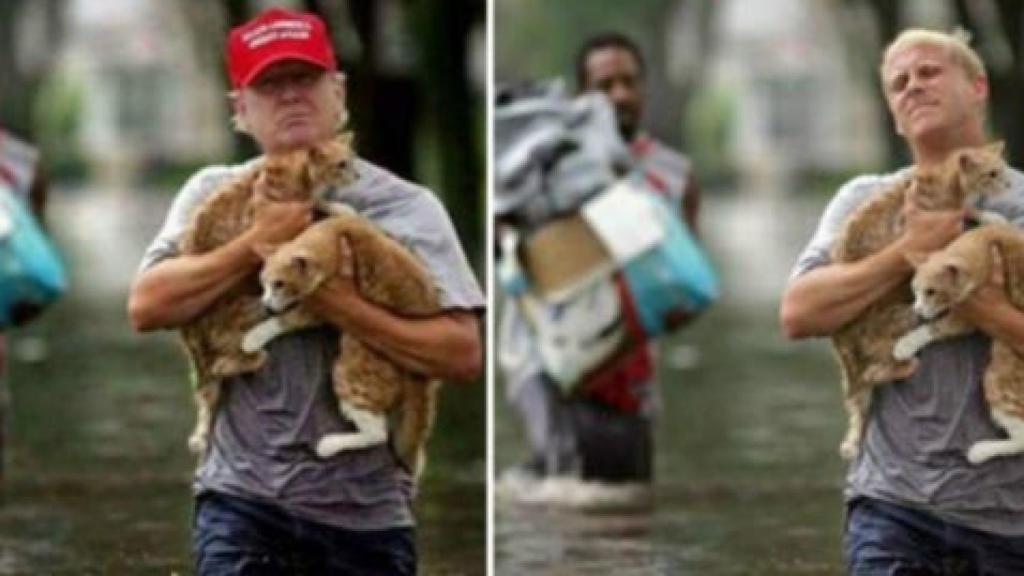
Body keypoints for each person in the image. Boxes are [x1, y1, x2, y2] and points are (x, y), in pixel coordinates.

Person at [127, 8, 483, 574]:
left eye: (306, 79)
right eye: (270, 84)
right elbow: (147, 306)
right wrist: (255, 246)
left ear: (338, 93)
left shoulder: (406, 207)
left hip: (367, 516)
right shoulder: (211, 193)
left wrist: (337, 302)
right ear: (240, 109)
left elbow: (462, 353)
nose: (291, 96)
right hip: (241, 503)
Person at [780, 29, 1024, 574]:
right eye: (899, 83)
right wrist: (905, 253)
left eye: (930, 72)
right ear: (893, 115)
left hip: (1013, 519)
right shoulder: (862, 199)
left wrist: (982, 304)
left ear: (978, 86)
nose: (913, 86)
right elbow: (798, 313)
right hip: (894, 508)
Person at [501, 32, 700, 487]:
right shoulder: (539, 163)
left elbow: (686, 290)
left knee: (624, 514)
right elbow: (507, 255)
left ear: (645, 89)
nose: (620, 96)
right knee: (560, 499)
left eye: (630, 82)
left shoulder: (675, 176)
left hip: (628, 374)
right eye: (605, 85)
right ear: (582, 95)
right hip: (546, 367)